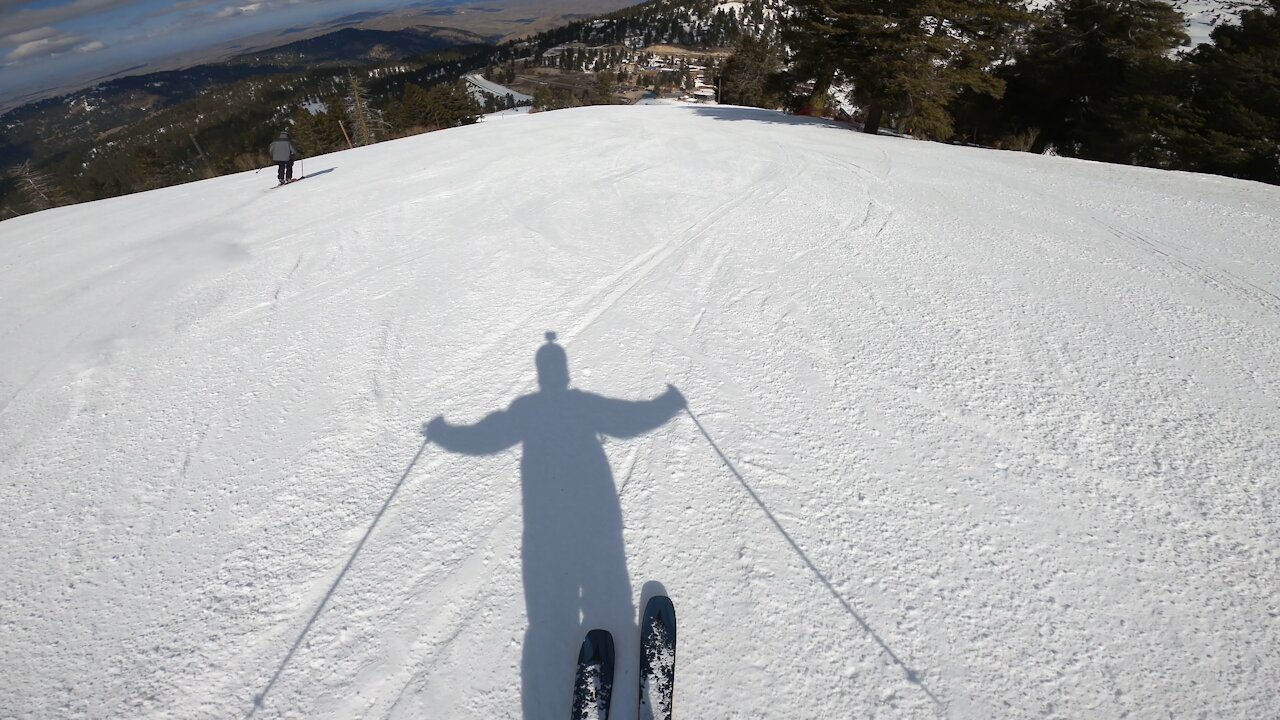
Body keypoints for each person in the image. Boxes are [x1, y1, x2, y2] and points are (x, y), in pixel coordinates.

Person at [423, 332, 685, 719]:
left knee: (556, 607)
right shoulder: (576, 404)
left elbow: (488, 436)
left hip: (552, 526)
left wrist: (443, 434)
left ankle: (586, 672)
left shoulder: (528, 409)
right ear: (560, 372)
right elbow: (624, 418)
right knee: (601, 592)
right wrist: (668, 404)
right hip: (596, 519)